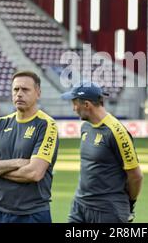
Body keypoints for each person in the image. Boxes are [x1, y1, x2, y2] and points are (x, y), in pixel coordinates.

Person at [0, 71, 59, 223]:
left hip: (32, 214)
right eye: (16, 89)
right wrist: (17, 162)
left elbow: (34, 173)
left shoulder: (46, 125)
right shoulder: (0, 124)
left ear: (38, 93)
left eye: (25, 90)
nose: (19, 94)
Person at [61, 82, 143, 223]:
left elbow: (136, 176)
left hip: (108, 210)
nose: (74, 108)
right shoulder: (86, 127)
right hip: (79, 206)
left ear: (87, 104)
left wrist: (129, 204)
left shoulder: (117, 132)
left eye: (75, 103)